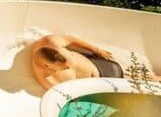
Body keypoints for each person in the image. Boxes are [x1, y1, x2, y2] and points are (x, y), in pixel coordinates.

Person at [29, 34, 159, 89]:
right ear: (47, 66)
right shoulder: (47, 79)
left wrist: (97, 50)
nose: (68, 68)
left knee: (150, 79)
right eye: (63, 68)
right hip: (104, 81)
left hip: (102, 63)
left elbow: (72, 40)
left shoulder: (50, 41)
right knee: (147, 84)